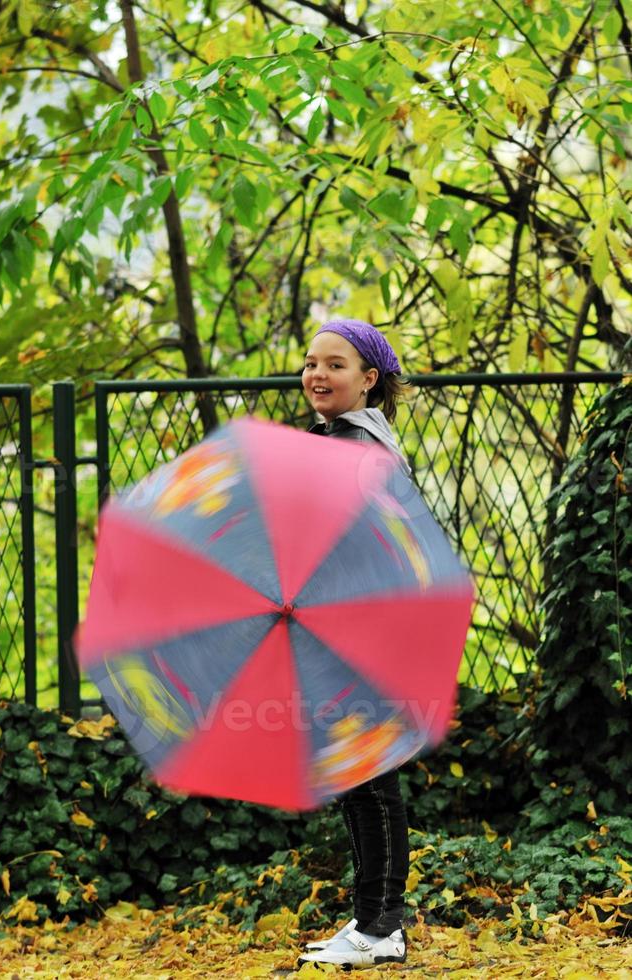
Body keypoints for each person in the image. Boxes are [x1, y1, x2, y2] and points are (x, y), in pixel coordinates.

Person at [297, 318, 412, 970]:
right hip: (337, 626)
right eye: (312, 362)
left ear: (370, 379)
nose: (317, 374)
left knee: (369, 778)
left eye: (335, 365)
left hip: (359, 631)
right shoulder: (333, 437)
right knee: (356, 777)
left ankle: (381, 927)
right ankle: (372, 919)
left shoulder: (357, 445)